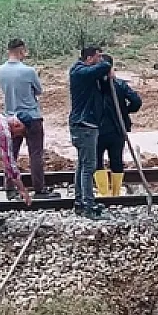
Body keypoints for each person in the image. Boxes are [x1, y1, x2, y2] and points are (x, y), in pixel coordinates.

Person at [0, 38, 56, 200]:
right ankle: (39, 188)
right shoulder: (29, 71)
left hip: (11, 119)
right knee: (35, 154)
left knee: (11, 154)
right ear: (22, 51)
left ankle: (9, 188)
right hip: (32, 118)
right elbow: (38, 90)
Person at [68, 46, 112, 219]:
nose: (100, 60)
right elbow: (104, 66)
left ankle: (80, 201)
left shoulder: (84, 72)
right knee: (88, 166)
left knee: (82, 164)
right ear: (89, 58)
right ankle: (88, 205)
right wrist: (107, 64)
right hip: (84, 125)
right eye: (98, 57)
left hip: (84, 124)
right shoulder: (79, 72)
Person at [94, 54, 142, 197]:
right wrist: (124, 111)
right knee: (116, 160)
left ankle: (104, 193)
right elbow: (136, 102)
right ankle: (115, 194)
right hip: (117, 129)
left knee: (97, 161)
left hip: (98, 130)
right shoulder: (120, 84)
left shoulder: (94, 86)